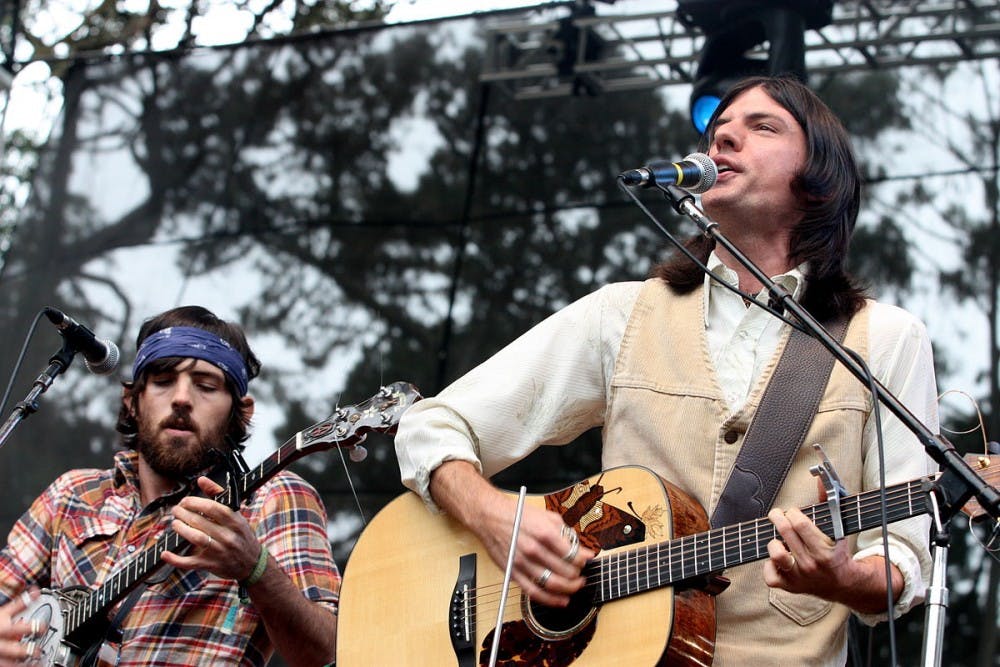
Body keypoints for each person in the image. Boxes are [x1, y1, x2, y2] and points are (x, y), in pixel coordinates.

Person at [394, 75, 937, 665]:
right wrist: (497, 517)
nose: (724, 142)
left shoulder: (883, 338)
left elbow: (905, 556)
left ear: (819, 177)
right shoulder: (620, 314)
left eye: (762, 127)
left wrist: (842, 579)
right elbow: (431, 427)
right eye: (717, 133)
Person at [0, 306, 339, 666]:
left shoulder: (273, 497)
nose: (181, 398)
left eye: (206, 386)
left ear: (242, 411)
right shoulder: (73, 494)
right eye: (162, 381)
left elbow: (327, 652)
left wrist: (256, 568)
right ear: (131, 401)